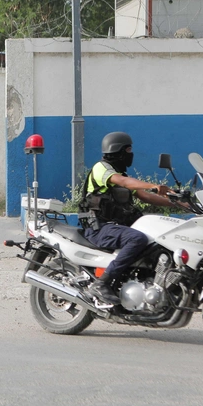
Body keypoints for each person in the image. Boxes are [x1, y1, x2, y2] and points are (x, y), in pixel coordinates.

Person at [80, 132, 175, 307]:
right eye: (128, 149)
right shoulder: (102, 169)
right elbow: (124, 182)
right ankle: (101, 284)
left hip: (116, 226)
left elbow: (145, 197)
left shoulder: (118, 172)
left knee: (159, 236)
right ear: (117, 150)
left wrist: (178, 203)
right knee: (137, 238)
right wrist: (153, 185)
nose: (131, 154)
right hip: (99, 227)